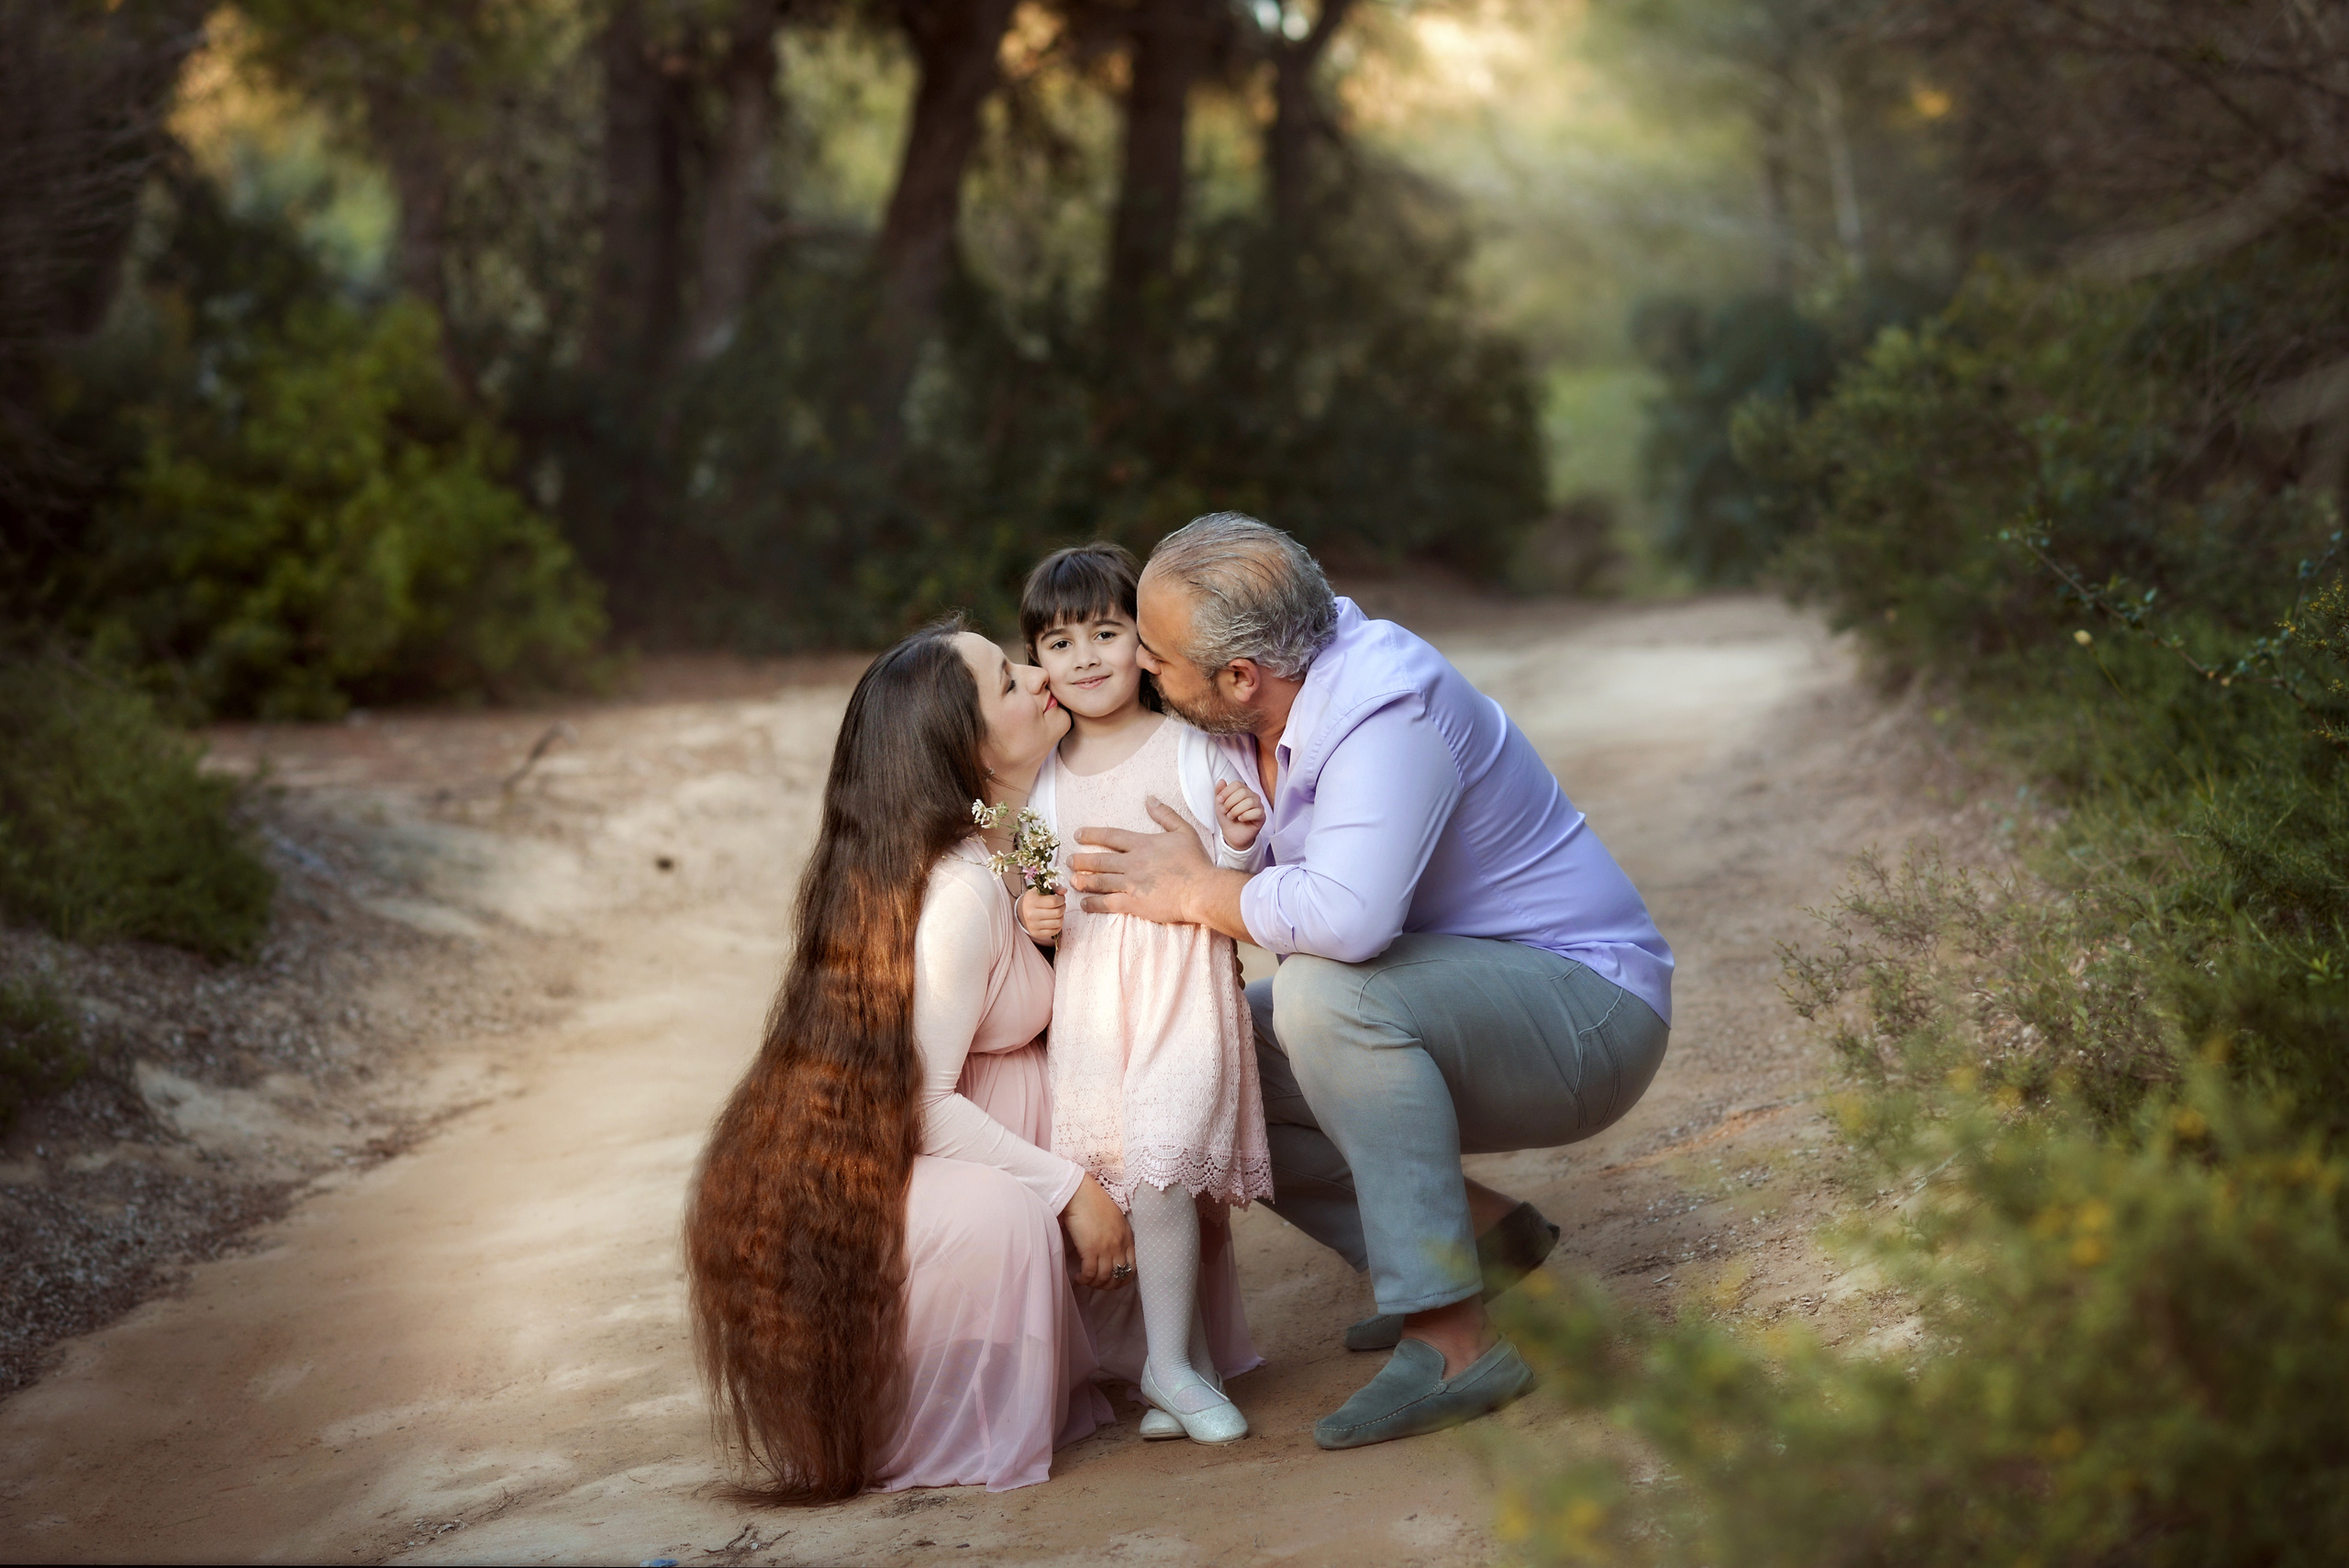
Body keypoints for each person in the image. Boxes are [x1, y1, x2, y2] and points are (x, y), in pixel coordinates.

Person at [1066, 512, 1675, 1451]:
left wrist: (1197, 889)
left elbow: (1348, 920)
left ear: (1239, 676)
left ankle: (1453, 1338)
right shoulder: (1257, 704)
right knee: (1208, 1057)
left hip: (1587, 1014)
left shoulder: (1386, 706)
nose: (1146, 669)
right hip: (1465, 995)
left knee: (1325, 992)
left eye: (1156, 655)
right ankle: (1480, 1241)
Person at [684, 620, 1131, 1500]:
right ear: (964, 749)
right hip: (904, 1177)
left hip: (940, 1137)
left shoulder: (1008, 836)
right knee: (1008, 1214)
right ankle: (926, 1408)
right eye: (1010, 680)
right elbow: (919, 1104)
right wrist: (1071, 1190)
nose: (1043, 675)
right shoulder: (958, 891)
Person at [1011, 543, 1273, 1445]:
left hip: (1184, 984)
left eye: (1107, 632)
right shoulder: (1039, 777)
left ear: (1144, 643)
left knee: (1164, 1165)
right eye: (1057, 641)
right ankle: (1179, 1368)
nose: (1084, 657)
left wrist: (1240, 839)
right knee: (1140, 1181)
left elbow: (1232, 876)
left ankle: (1165, 1365)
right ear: (1039, 662)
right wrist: (1033, 907)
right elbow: (1026, 869)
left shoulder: (1194, 749)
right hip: (1091, 999)